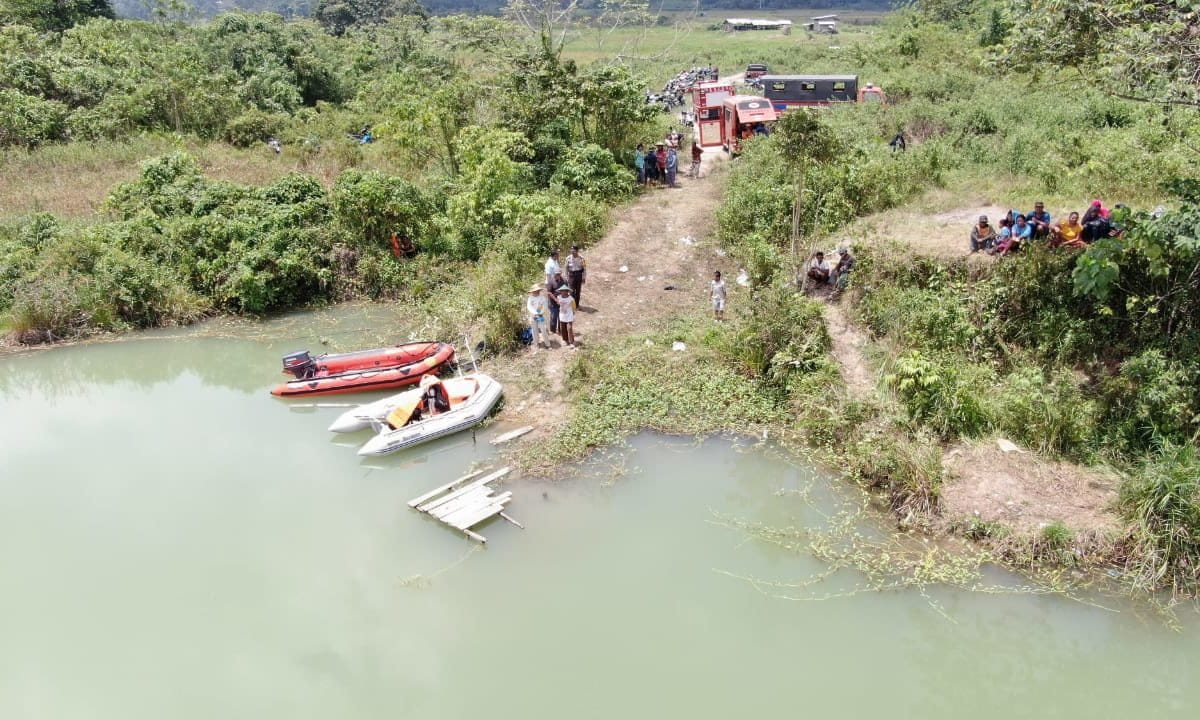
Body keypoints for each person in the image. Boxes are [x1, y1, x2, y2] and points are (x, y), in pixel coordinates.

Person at [526, 284, 550, 348]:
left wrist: (540, 313)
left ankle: (547, 344)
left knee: (543, 330)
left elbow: (545, 306)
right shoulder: (530, 298)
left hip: (541, 316)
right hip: (533, 316)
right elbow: (529, 307)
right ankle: (536, 344)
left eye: (537, 290)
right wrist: (535, 313)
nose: (536, 292)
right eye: (535, 290)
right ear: (532, 291)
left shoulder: (542, 297)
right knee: (534, 330)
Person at [545, 249, 564, 330]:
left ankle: (558, 328)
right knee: (553, 308)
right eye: (557, 255)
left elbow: (558, 271)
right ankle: (552, 328)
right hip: (552, 283)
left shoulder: (555, 261)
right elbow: (549, 276)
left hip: (557, 282)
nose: (558, 256)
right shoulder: (549, 264)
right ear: (553, 255)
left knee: (559, 309)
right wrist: (551, 285)